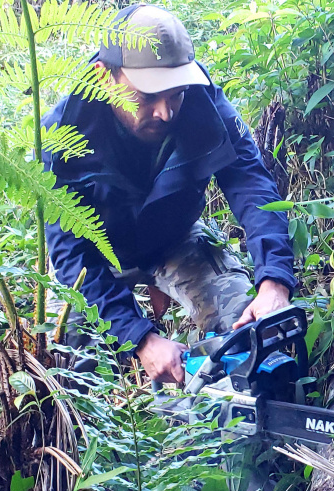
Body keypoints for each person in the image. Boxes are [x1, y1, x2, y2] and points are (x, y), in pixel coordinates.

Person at [42, 4, 295, 385]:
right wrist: (140, 337)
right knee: (65, 352)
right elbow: (70, 251)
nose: (165, 112)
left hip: (174, 239)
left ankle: (227, 423)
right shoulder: (64, 132)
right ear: (104, 77)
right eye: (148, 97)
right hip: (95, 259)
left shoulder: (203, 103)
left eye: (175, 94)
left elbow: (250, 184)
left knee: (247, 328)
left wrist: (274, 279)